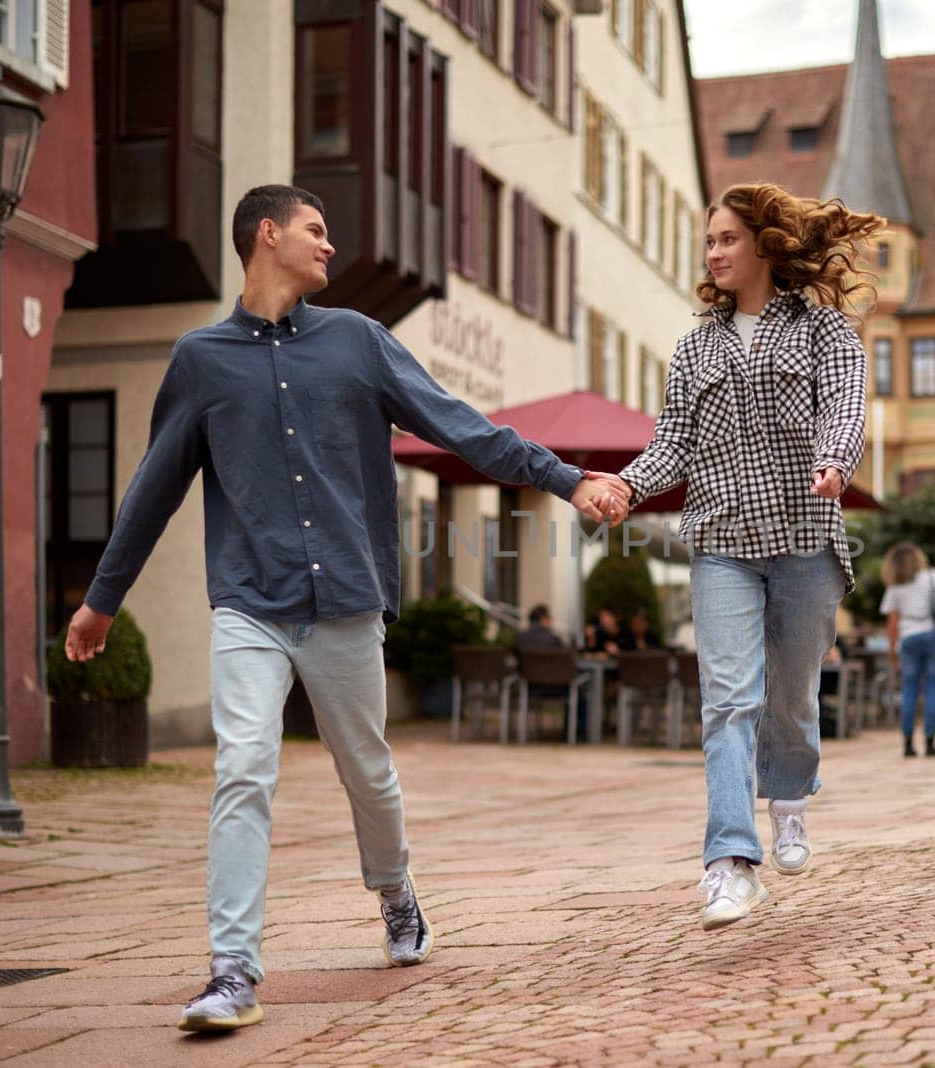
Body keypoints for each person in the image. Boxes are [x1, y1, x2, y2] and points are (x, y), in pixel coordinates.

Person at [63, 185, 629, 1032]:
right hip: (249, 604)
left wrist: (566, 478)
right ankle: (232, 970)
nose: (329, 247)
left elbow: (459, 425)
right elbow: (153, 487)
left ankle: (395, 890)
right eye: (315, 231)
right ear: (268, 235)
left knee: (367, 772)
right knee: (242, 767)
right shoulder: (200, 360)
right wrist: (101, 600)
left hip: (346, 602)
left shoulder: (359, 342)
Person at [604, 181, 877, 931]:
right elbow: (674, 447)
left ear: (765, 244)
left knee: (789, 697)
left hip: (803, 538)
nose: (715, 253)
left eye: (727, 239)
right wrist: (626, 485)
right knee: (728, 699)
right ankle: (731, 862)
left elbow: (845, 408)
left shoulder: (826, 333)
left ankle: (788, 800)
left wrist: (833, 461)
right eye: (709, 242)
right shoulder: (695, 348)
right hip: (721, 539)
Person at [882, 543, 935, 759]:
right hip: (934, 637)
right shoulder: (931, 576)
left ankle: (908, 743)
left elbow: (892, 622)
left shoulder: (895, 586)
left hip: (908, 639)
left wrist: (892, 651)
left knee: (909, 690)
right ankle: (930, 742)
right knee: (933, 688)